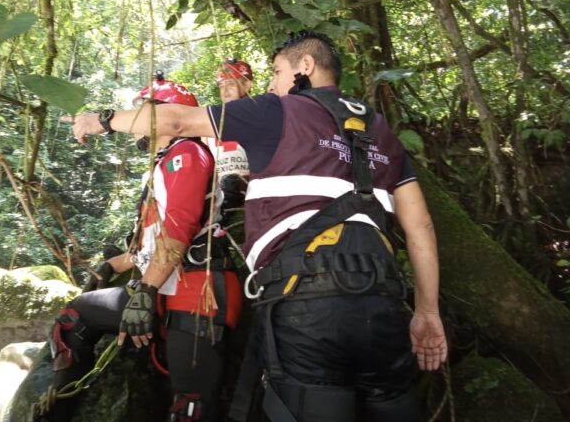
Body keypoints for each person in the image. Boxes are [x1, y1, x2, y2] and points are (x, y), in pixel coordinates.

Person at [65, 30, 448, 422]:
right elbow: (420, 227)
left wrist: (103, 120)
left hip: (305, 304)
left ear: (305, 67)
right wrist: (427, 313)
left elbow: (179, 121)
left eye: (277, 71)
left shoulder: (278, 111)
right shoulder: (382, 132)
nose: (271, 83)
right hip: (383, 305)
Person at [47, 74, 242, 422]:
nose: (134, 121)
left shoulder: (187, 155)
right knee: (72, 320)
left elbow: (180, 230)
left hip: (196, 291)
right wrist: (112, 266)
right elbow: (153, 240)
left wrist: (145, 292)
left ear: (168, 115)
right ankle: (55, 410)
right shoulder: (165, 163)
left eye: (142, 111)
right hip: (160, 287)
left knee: (192, 407)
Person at [206, 58, 252, 211]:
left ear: (247, 85)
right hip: (220, 206)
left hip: (254, 201)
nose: (225, 91)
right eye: (221, 85)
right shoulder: (208, 124)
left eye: (231, 84)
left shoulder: (260, 118)